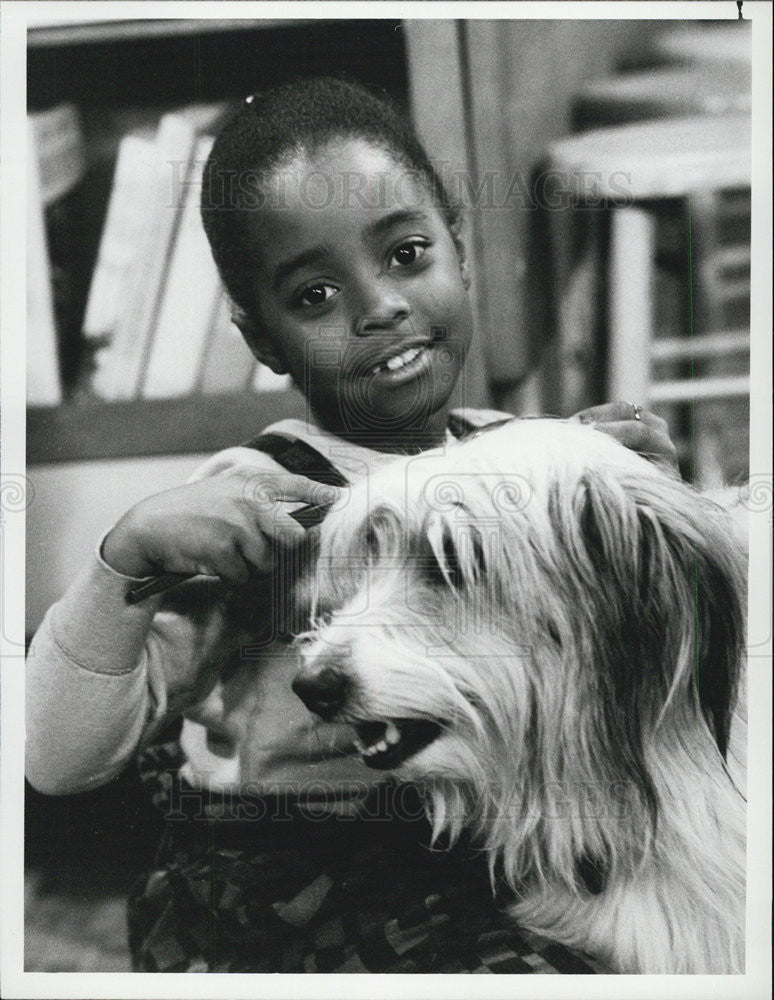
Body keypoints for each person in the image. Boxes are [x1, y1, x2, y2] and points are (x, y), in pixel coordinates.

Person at [26, 78, 677, 973]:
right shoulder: (252, 501)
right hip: (292, 883)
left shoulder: (520, 458)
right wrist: (121, 563)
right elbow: (57, 762)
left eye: (408, 253)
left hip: (489, 848)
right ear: (264, 344)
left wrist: (625, 505)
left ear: (462, 252)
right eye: (316, 296)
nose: (379, 306)